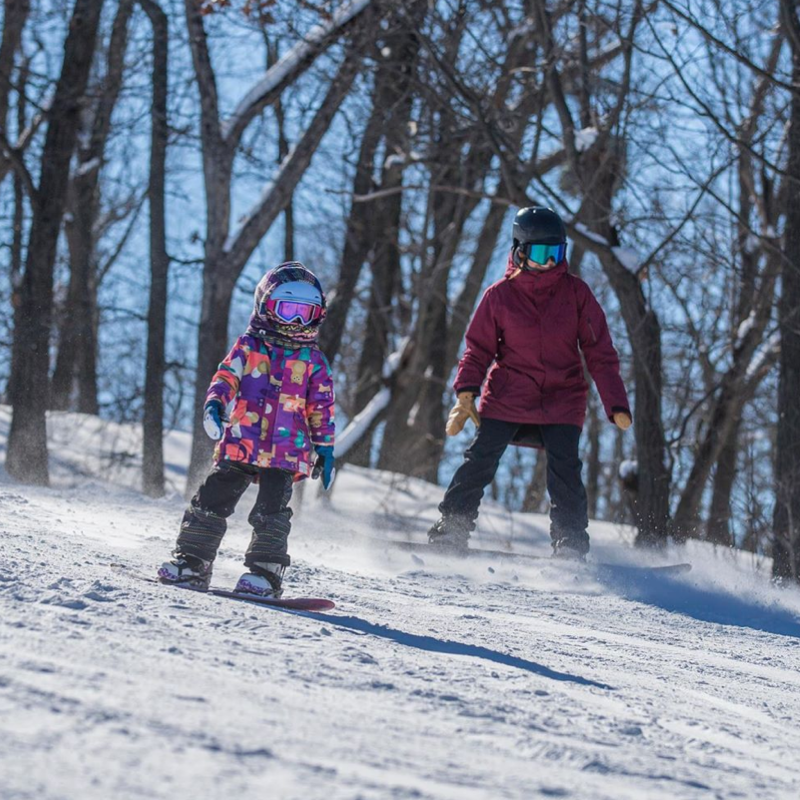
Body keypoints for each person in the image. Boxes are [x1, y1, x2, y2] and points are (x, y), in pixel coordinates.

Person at [428, 206, 631, 560]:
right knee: (480, 459)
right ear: (520, 251)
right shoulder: (499, 296)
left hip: (562, 399)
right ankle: (452, 528)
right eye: (540, 253)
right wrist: (466, 394)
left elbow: (600, 352)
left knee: (565, 469)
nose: (549, 262)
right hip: (509, 395)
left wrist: (615, 403)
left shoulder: (576, 294)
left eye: (556, 253)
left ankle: (570, 543)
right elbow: (477, 350)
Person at [159, 262, 336, 596]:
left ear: (318, 315)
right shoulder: (249, 347)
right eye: (288, 311)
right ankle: (193, 561)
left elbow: (321, 408)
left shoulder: (313, 362)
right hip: (243, 441)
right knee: (211, 498)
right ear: (267, 306)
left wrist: (325, 448)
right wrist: (215, 403)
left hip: (286, 451)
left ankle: (266, 574)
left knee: (272, 511)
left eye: (305, 313)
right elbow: (226, 377)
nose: (296, 322)